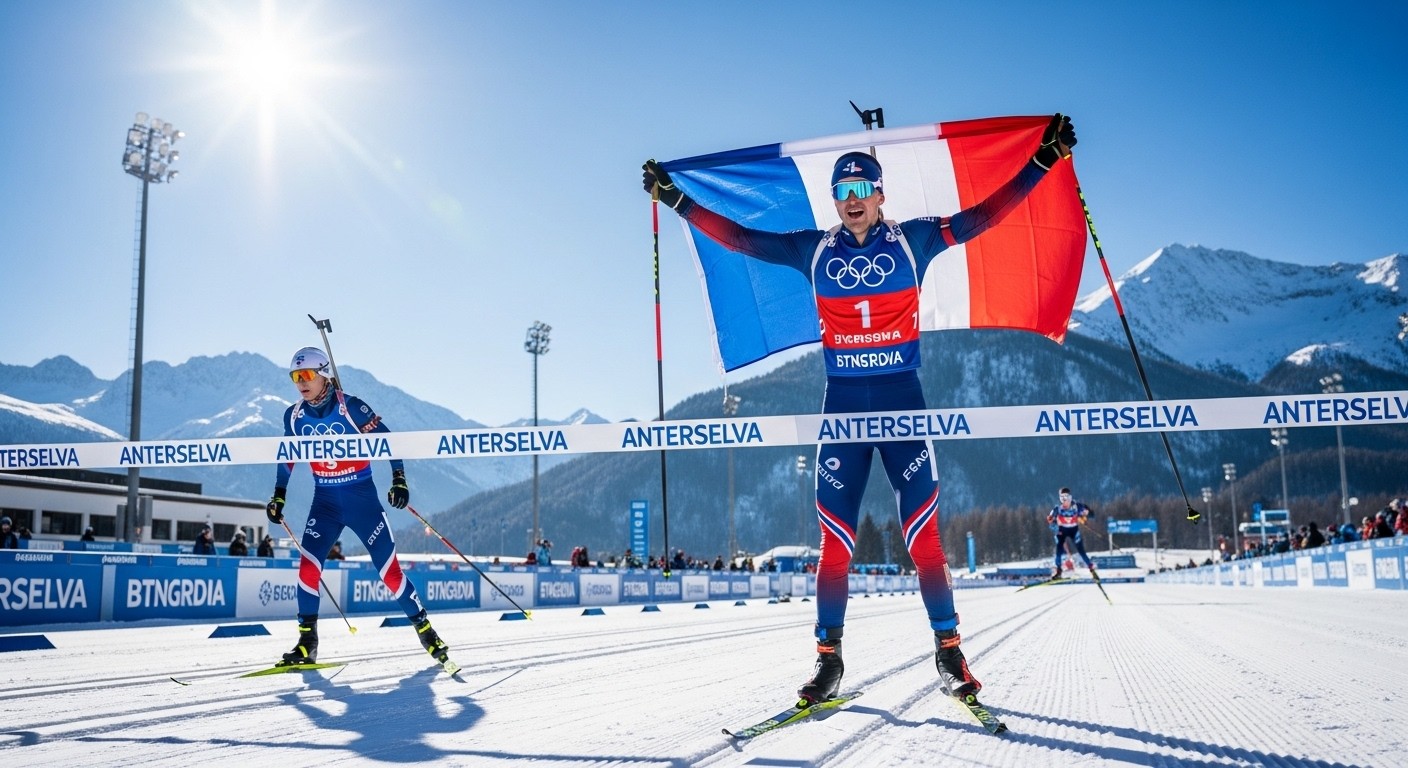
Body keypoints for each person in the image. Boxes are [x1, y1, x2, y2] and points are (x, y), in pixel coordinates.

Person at [643, 113, 1077, 707]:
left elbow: (982, 218)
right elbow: (743, 238)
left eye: (860, 190)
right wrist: (679, 203)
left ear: (879, 194)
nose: (851, 201)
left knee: (924, 537)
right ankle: (828, 663)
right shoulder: (812, 250)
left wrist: (1040, 164)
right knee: (835, 544)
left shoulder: (913, 240)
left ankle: (950, 655)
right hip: (843, 409)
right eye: (841, 191)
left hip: (903, 404)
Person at [265, 346, 452, 670]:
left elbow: (388, 440)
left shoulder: (350, 407)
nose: (300, 383)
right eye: (295, 377)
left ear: (324, 375)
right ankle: (307, 643)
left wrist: (399, 480)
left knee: (389, 573)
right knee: (307, 569)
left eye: (306, 375)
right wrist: (279, 494)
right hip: (324, 502)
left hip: (361, 498)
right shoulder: (293, 416)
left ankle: (426, 631)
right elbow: (288, 456)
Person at [1047, 487, 1097, 579]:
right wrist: (1053, 525)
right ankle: (1058, 571)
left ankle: (1091, 569)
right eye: (1062, 497)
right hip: (1062, 530)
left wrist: (1088, 514)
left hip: (1074, 530)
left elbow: (1089, 513)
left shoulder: (1077, 506)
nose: (1064, 499)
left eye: (1066, 496)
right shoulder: (1057, 509)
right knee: (1059, 550)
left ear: (1070, 497)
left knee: (1081, 551)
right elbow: (1051, 521)